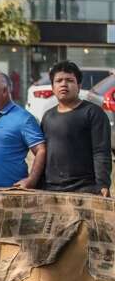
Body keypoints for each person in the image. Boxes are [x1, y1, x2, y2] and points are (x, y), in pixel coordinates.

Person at [41, 61, 112, 196]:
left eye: (69, 80)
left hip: (84, 189)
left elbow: (101, 152)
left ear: (79, 86)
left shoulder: (93, 113)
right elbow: (43, 153)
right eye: (59, 81)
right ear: (52, 87)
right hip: (50, 189)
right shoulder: (48, 116)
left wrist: (103, 184)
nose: (63, 84)